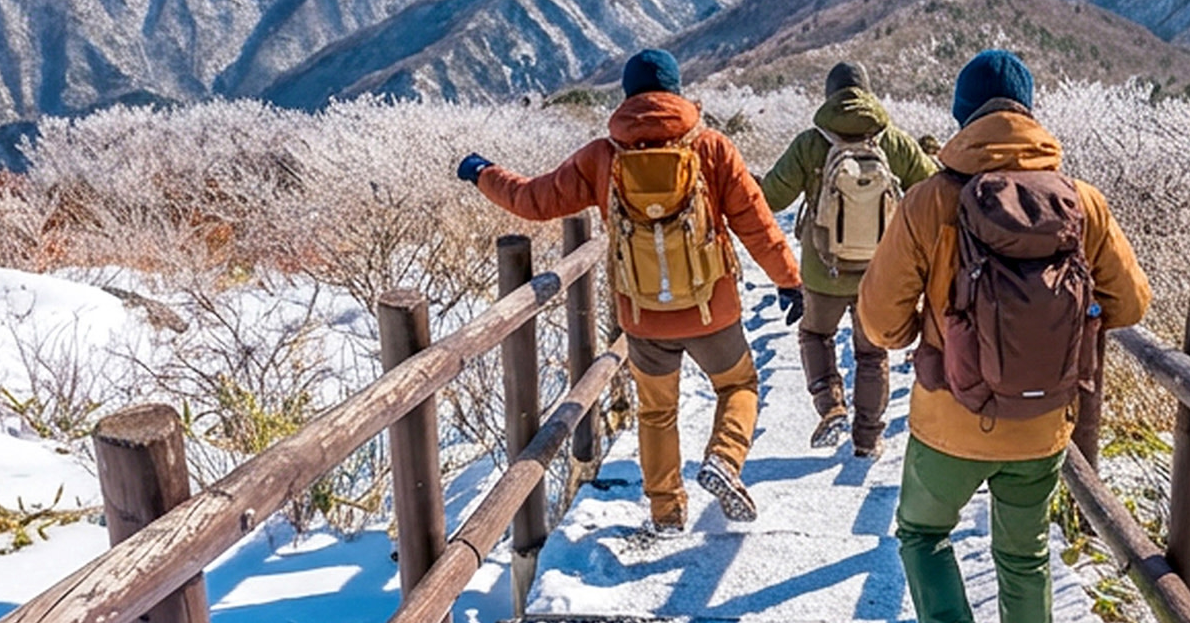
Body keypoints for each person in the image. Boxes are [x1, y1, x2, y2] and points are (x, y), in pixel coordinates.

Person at [859, 50, 1152, 623]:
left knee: (921, 534)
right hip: (1042, 422)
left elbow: (881, 324)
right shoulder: (1080, 203)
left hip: (951, 415)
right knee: (1025, 556)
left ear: (962, 115)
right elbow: (1132, 303)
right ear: (1030, 112)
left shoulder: (931, 201)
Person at [457, 48, 802, 533]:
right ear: (677, 92)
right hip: (711, 310)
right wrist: (789, 280)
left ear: (628, 97)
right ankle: (724, 458)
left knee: (657, 411)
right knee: (738, 385)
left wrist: (483, 172)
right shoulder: (711, 148)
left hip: (643, 315)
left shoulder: (603, 156)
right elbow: (756, 223)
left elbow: (533, 201)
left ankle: (666, 511)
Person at [755, 61, 936, 455]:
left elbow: (770, 199)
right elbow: (933, 190)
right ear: (868, 94)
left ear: (829, 96)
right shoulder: (895, 142)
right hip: (880, 270)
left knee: (815, 335)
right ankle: (868, 439)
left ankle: (830, 405)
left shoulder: (810, 143)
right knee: (871, 353)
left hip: (824, 270)